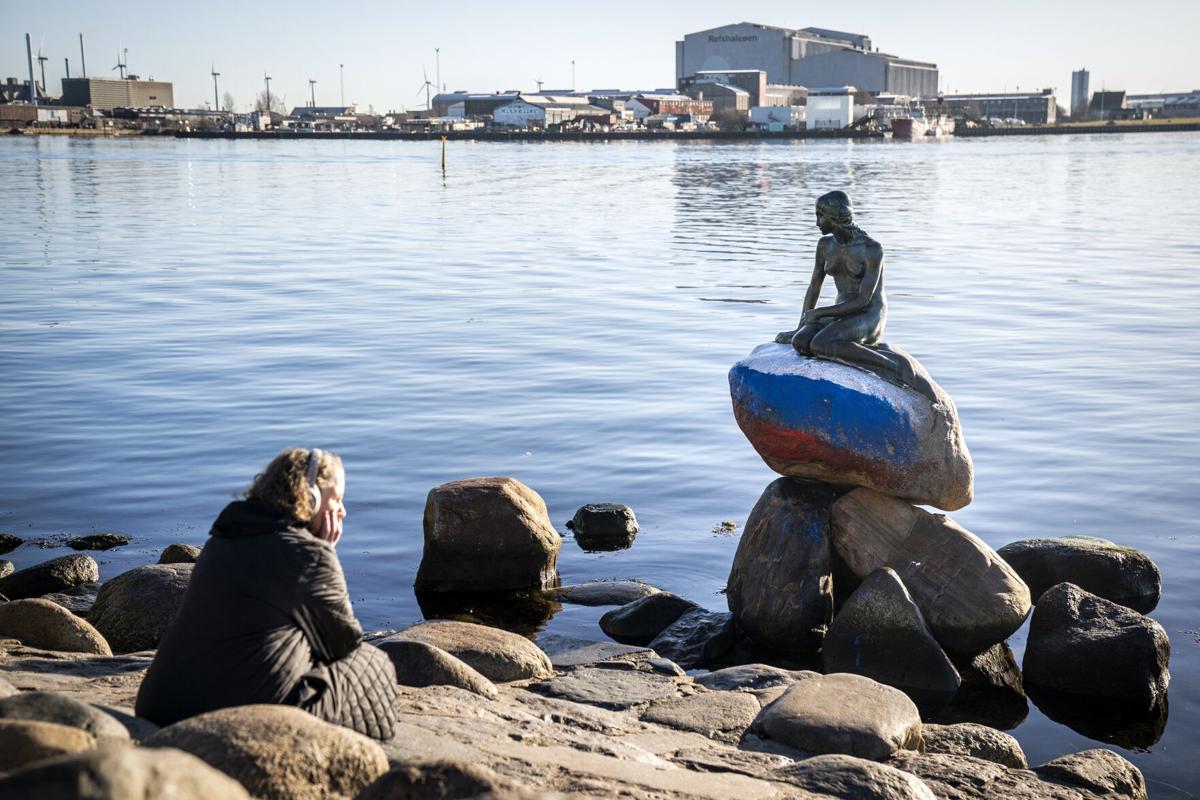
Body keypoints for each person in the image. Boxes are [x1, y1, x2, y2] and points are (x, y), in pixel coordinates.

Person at [135, 448, 398, 740]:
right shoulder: (309, 555)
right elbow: (344, 644)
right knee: (374, 664)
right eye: (336, 498)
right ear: (309, 497)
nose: (343, 510)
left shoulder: (221, 540)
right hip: (239, 715)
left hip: (162, 705)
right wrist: (328, 553)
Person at [776, 190, 935, 401]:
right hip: (841, 313)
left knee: (820, 344)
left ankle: (896, 366)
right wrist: (801, 325)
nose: (816, 223)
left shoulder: (871, 249)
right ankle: (860, 349)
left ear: (836, 217)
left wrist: (820, 313)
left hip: (868, 314)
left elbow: (863, 300)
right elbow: (814, 287)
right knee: (801, 342)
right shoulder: (825, 246)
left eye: (820, 215)